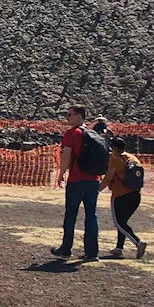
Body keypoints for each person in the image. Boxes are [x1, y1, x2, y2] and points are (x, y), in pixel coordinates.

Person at [51, 105, 102, 261]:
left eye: (70, 115)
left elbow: (67, 155)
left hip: (76, 180)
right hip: (93, 180)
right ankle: (92, 251)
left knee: (71, 215)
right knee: (91, 215)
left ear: (79, 116)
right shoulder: (92, 133)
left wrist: (61, 174)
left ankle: (66, 248)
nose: (67, 118)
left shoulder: (72, 134)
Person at [99, 137, 148, 259]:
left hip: (120, 195)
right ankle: (119, 247)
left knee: (119, 223)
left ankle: (138, 242)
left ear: (114, 148)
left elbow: (108, 178)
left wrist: (97, 190)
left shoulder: (114, 159)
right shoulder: (132, 158)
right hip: (135, 195)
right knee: (123, 222)